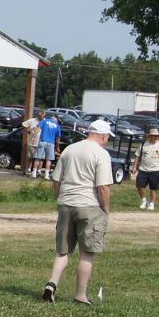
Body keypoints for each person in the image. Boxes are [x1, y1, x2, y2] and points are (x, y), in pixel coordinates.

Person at [43, 119, 115, 305]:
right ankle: (80, 295)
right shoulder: (101, 154)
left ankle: (52, 283)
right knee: (87, 252)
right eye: (107, 137)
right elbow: (103, 187)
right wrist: (105, 210)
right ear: (103, 136)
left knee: (63, 250)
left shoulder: (70, 149)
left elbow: (56, 180)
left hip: (66, 203)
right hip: (89, 206)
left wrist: (61, 200)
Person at [136, 127, 159, 210]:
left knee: (153, 188)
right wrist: (134, 167)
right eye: (153, 136)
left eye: (157, 136)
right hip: (143, 169)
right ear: (149, 136)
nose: (155, 138)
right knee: (140, 186)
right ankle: (144, 200)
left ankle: (151, 203)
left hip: (156, 170)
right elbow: (137, 156)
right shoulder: (144, 144)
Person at [34, 111, 61, 180]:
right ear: (56, 120)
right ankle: (46, 175)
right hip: (51, 143)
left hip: (42, 141)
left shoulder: (44, 121)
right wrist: (57, 147)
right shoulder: (57, 125)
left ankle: (34, 173)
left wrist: (34, 137)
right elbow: (58, 138)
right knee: (49, 160)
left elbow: (38, 129)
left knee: (38, 158)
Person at [21, 110, 42, 176]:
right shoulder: (32, 121)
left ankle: (38, 171)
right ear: (38, 115)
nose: (42, 117)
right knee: (30, 157)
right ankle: (28, 169)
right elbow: (23, 124)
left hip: (41, 142)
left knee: (40, 158)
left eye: (43, 116)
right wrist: (28, 130)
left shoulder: (44, 122)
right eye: (41, 116)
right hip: (32, 142)